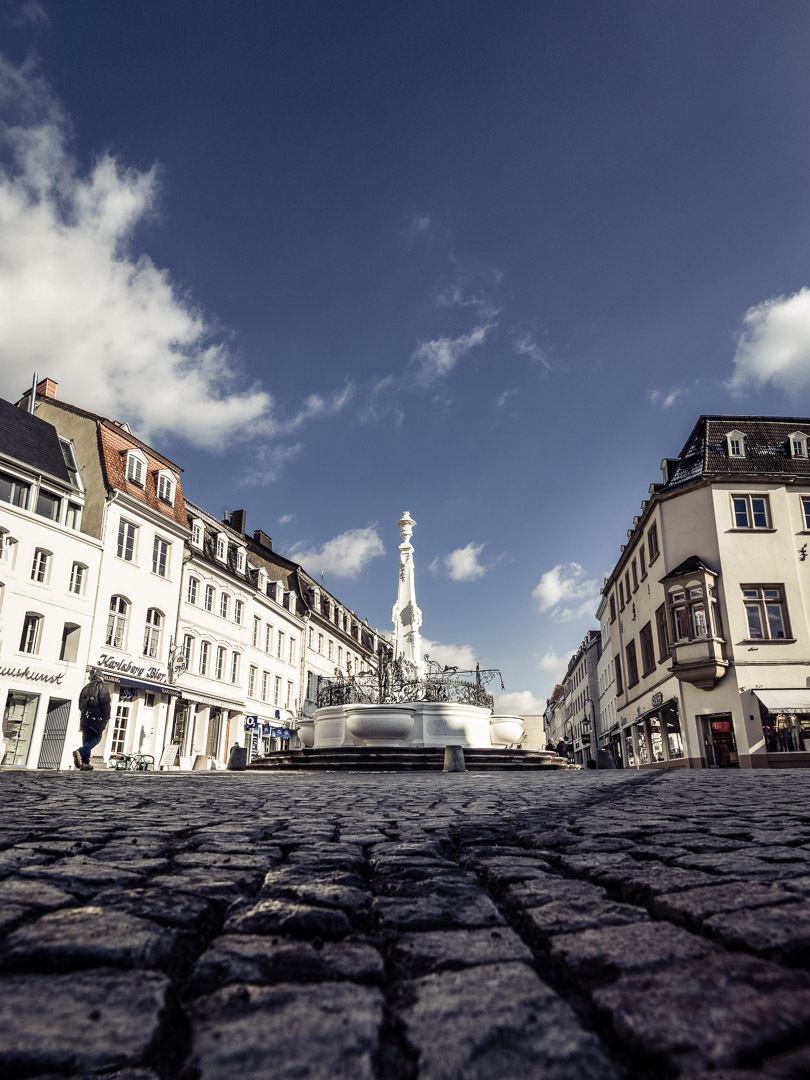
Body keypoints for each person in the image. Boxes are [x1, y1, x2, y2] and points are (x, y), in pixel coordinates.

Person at [73, 669, 111, 771]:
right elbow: (105, 704)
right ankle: (80, 752)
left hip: (85, 718)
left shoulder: (85, 688)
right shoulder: (102, 687)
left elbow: (80, 705)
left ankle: (85, 763)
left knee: (87, 739)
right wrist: (106, 717)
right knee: (97, 737)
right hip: (96, 718)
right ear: (101, 678)